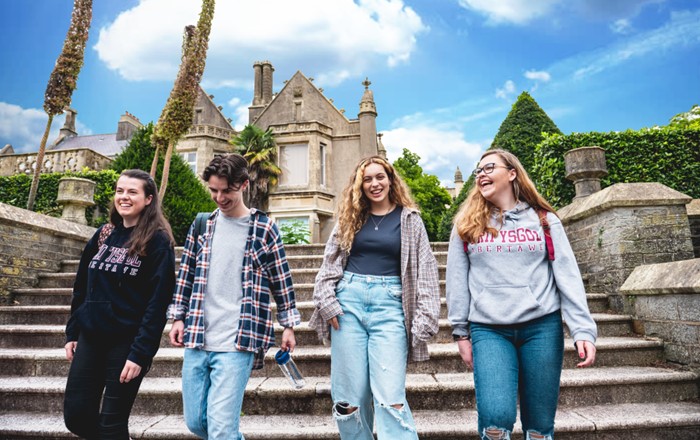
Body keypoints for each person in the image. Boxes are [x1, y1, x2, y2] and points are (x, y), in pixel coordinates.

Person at [446, 149, 597, 440]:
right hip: (488, 330)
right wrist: (460, 333)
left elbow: (568, 277)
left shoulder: (544, 221)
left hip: (541, 327)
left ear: (512, 173)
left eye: (489, 167)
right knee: (495, 421)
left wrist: (582, 329)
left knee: (539, 426)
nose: (481, 174)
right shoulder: (466, 225)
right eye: (478, 170)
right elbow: (456, 282)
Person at [168, 153, 301, 440]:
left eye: (226, 190)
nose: (219, 197)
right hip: (198, 337)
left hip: (239, 340)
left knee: (221, 429)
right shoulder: (201, 225)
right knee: (195, 423)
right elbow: (186, 275)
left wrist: (288, 324)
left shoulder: (264, 228)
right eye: (213, 190)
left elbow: (281, 279)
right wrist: (177, 317)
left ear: (243, 185)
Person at [310, 155, 441, 439]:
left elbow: (426, 269)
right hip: (348, 306)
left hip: (390, 307)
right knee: (348, 399)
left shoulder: (410, 220)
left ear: (391, 179)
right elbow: (328, 264)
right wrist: (327, 301)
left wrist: (425, 318)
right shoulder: (350, 218)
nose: (374, 183)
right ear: (360, 185)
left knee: (390, 396)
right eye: (367, 179)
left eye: (379, 177)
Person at [64, 169, 176, 439]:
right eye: (120, 191)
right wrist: (73, 331)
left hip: (126, 344)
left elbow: (158, 303)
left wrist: (140, 353)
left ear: (148, 199)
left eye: (132, 192)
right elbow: (82, 286)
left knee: (113, 424)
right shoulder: (104, 234)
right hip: (91, 337)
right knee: (76, 416)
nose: (124, 197)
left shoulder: (157, 241)